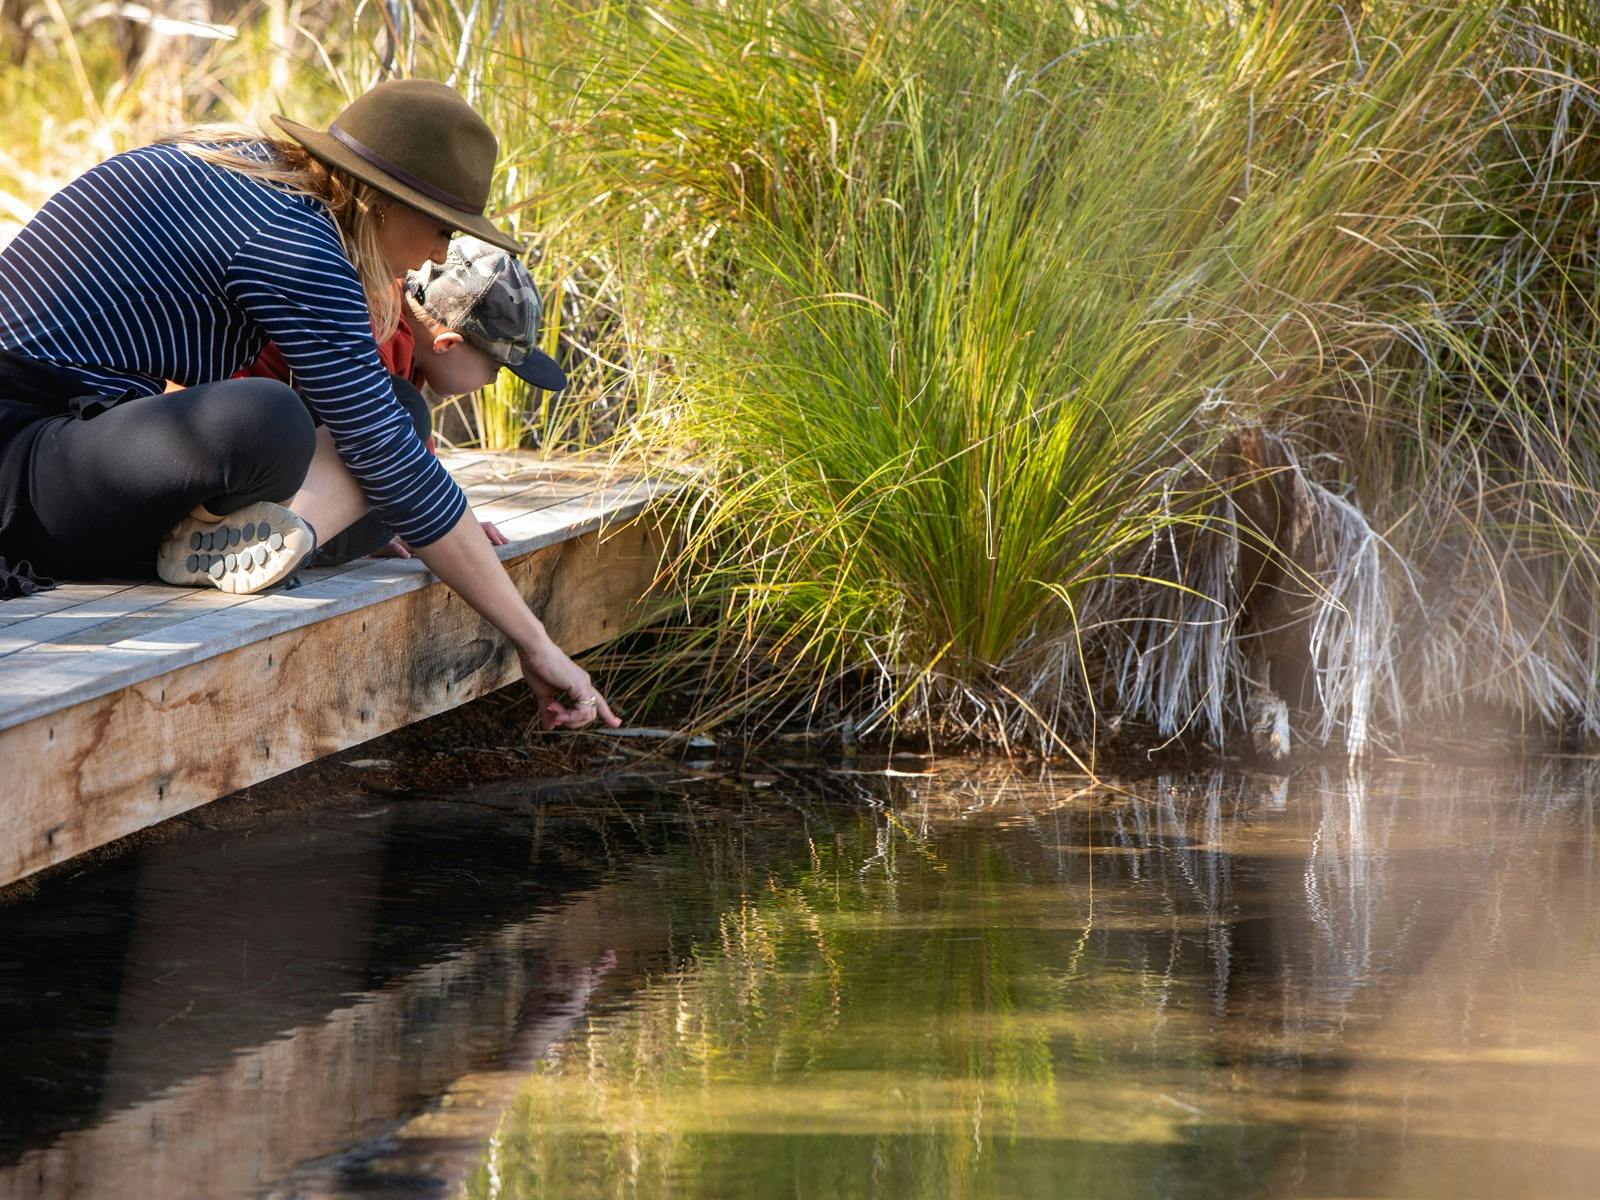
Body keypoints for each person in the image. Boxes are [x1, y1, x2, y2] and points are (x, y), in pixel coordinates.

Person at [0, 79, 618, 730]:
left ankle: (219, 541)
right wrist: (536, 642)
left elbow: (387, 439)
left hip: (72, 439)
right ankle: (217, 542)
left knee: (397, 415)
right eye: (441, 228)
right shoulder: (297, 242)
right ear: (382, 201)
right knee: (271, 422)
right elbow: (391, 464)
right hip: (24, 458)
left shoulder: (251, 175)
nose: (441, 253)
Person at [238, 236, 566, 565]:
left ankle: (291, 537)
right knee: (402, 429)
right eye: (495, 369)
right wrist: (432, 527)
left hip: (287, 470)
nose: (492, 381)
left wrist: (454, 526)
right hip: (249, 463)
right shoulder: (372, 327)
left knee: (401, 503)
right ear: (447, 344)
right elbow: (381, 452)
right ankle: (264, 546)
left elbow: (420, 467)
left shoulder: (407, 345)